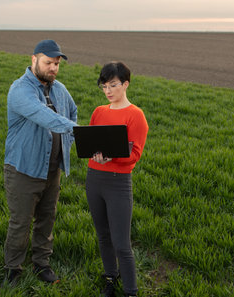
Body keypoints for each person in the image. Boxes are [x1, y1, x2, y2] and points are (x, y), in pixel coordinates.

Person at [2, 40, 77, 286]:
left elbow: (72, 111)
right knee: (21, 222)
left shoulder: (60, 89)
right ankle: (13, 268)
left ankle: (41, 264)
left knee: (47, 218)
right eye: (48, 62)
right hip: (24, 169)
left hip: (52, 169)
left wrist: (70, 142)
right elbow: (46, 117)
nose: (53, 68)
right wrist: (81, 133)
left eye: (56, 64)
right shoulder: (20, 89)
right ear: (34, 59)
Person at [86, 62, 149, 297]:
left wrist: (110, 157)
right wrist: (95, 155)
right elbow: (91, 142)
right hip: (94, 179)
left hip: (118, 183)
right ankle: (111, 277)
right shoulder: (98, 112)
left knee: (121, 242)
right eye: (104, 86)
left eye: (113, 85)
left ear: (125, 84)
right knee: (103, 235)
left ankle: (131, 291)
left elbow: (134, 155)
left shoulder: (136, 115)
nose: (108, 91)